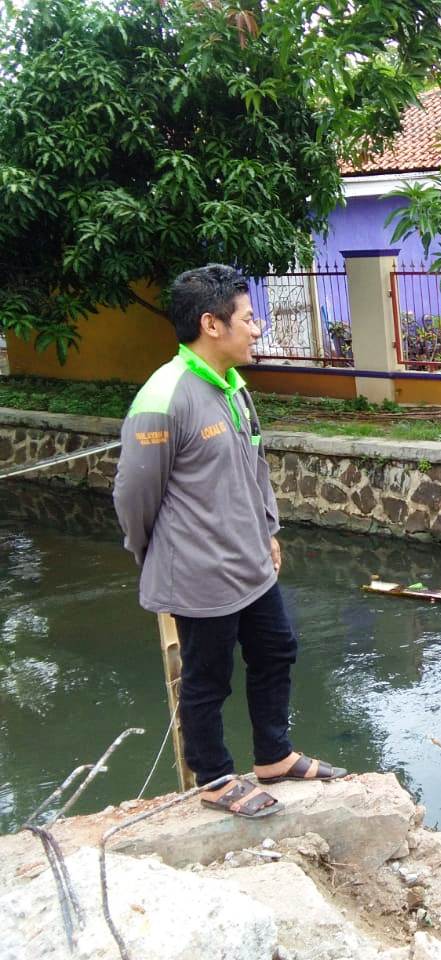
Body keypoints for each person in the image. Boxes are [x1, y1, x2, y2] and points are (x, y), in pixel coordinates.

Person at [114, 264, 345, 819]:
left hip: (249, 560)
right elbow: (132, 493)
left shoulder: (233, 386)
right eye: (248, 317)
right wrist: (156, 557)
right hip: (198, 571)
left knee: (277, 648)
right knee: (207, 676)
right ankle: (215, 777)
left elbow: (255, 466)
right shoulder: (165, 395)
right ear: (211, 324)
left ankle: (273, 755)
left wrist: (268, 529)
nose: (257, 327)